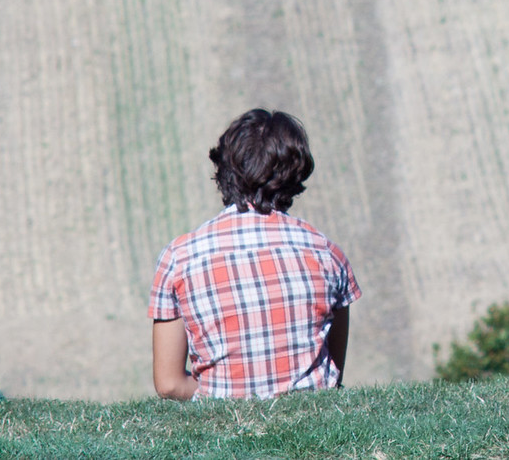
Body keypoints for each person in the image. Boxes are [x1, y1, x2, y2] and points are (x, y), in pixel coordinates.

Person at [148, 109, 360, 399]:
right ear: (296, 172)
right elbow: (333, 371)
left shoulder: (178, 257)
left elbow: (169, 384)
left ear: (224, 169)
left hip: (222, 425)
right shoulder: (327, 253)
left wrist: (223, 395)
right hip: (313, 424)